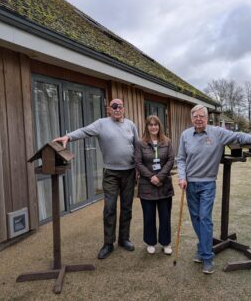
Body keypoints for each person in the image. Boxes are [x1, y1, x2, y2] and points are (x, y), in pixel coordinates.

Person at [177, 104, 251, 274]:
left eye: (202, 116)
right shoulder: (185, 135)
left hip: (207, 184)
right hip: (190, 184)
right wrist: (182, 177)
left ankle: (207, 256)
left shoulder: (217, 133)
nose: (198, 119)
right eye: (195, 116)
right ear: (191, 118)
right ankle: (202, 247)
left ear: (207, 118)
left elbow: (238, 136)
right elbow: (181, 159)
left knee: (205, 218)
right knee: (196, 219)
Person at [53, 98, 138, 259]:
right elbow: (84, 131)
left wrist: (139, 168)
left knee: (127, 207)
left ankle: (124, 239)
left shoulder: (131, 125)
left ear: (124, 109)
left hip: (129, 172)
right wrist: (68, 137)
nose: (117, 109)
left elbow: (137, 146)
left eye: (120, 106)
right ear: (109, 109)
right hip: (111, 173)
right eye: (114, 106)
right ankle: (108, 243)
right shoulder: (101, 124)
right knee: (110, 208)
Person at [135, 115, 175, 255]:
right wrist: (151, 176)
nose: (153, 127)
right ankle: (150, 242)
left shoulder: (167, 142)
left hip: (164, 185)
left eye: (156, 124)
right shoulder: (140, 143)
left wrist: (160, 177)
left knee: (165, 216)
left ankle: (166, 243)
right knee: (149, 216)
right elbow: (138, 163)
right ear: (147, 127)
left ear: (159, 126)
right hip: (147, 185)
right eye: (150, 125)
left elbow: (170, 160)